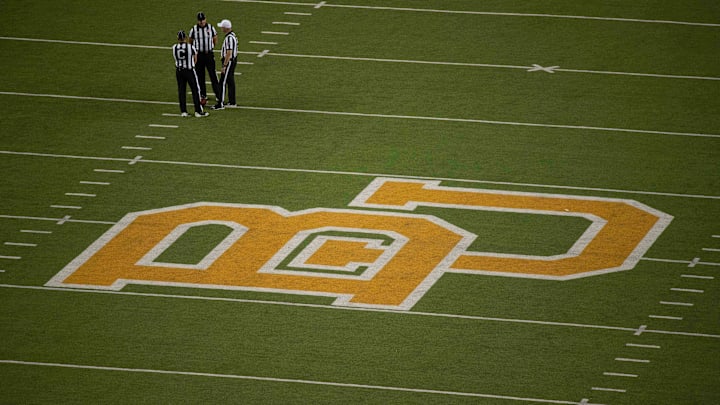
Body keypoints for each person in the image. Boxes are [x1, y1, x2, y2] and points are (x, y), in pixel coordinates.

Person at [172, 30, 209, 117]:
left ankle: (183, 111)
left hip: (179, 71)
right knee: (195, 90)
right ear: (185, 37)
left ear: (178, 38)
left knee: (181, 91)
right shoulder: (190, 47)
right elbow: (195, 59)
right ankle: (198, 111)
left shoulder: (174, 47)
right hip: (189, 70)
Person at [189, 12, 220, 103]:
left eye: (203, 19)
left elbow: (215, 39)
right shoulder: (194, 29)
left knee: (213, 75)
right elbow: (190, 41)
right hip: (199, 55)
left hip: (208, 54)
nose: (201, 21)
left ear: (205, 19)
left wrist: (210, 48)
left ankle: (218, 94)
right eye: (200, 20)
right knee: (200, 76)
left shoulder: (211, 28)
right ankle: (203, 95)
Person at [212, 19, 238, 110]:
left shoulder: (229, 38)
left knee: (222, 82)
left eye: (222, 27)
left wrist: (224, 65)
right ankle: (232, 101)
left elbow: (229, 53)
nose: (221, 29)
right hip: (231, 60)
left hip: (229, 61)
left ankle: (220, 103)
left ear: (225, 28)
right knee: (230, 81)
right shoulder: (232, 36)